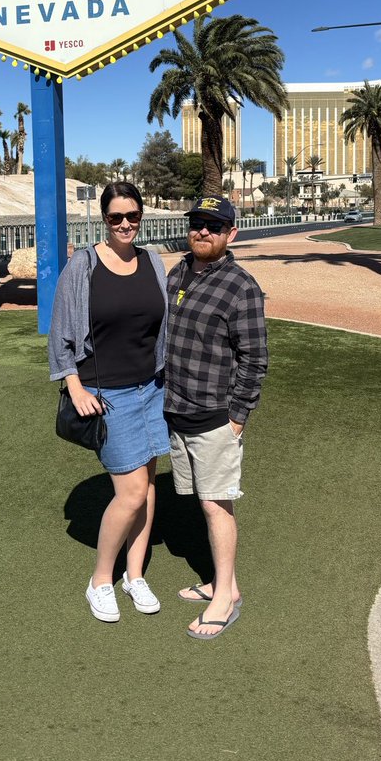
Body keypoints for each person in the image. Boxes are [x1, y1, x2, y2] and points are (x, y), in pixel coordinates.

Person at [49, 181, 170, 624]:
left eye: (132, 216)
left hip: (153, 389)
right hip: (108, 395)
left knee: (149, 484)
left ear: (141, 216)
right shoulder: (82, 266)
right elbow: (60, 332)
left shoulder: (153, 262)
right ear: (104, 219)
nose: (125, 224)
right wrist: (75, 387)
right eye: (116, 217)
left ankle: (135, 575)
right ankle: (101, 578)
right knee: (132, 491)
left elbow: (164, 325)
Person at [164, 195, 268, 640]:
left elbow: (255, 358)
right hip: (176, 409)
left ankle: (226, 597)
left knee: (215, 504)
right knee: (199, 500)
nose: (203, 231)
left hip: (214, 417)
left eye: (214, 226)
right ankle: (221, 583)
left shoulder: (241, 286)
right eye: (198, 224)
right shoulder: (177, 271)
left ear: (231, 234)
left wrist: (238, 416)